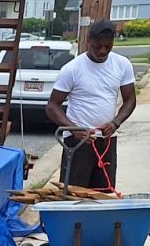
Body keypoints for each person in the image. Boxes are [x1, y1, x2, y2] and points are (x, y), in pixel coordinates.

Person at [46, 18, 136, 192]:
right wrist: (73, 128)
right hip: (78, 142)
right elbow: (52, 106)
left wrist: (116, 122)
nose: (102, 51)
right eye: (97, 46)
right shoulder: (72, 69)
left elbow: (130, 100)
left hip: (107, 141)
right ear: (89, 41)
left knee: (103, 195)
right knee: (74, 194)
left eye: (107, 47)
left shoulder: (122, 65)